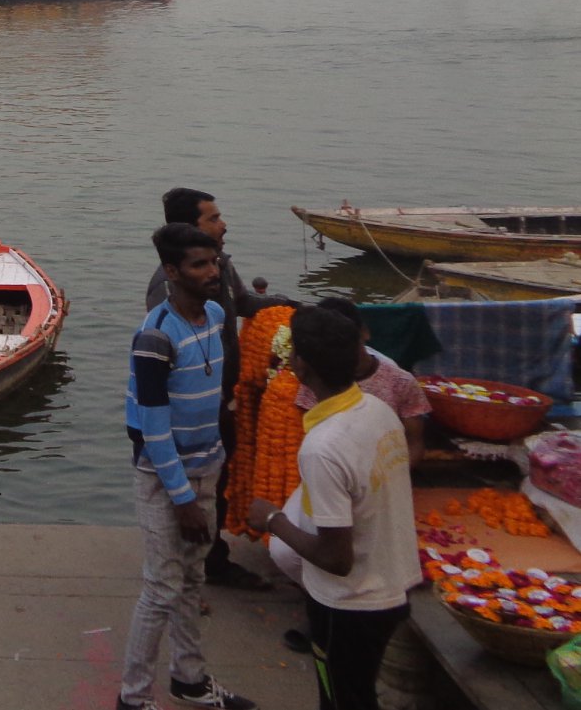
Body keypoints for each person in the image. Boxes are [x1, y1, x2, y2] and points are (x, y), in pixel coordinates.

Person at [250, 306, 420, 710]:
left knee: (341, 699)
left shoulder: (324, 446)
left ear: (301, 365)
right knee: (356, 695)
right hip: (390, 587)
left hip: (349, 604)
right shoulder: (378, 411)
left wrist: (273, 519)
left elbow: (336, 558)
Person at [120, 223, 255, 710]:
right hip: (164, 478)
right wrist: (182, 500)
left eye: (214, 262)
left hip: (207, 466)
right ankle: (133, 697)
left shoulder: (215, 315)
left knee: (193, 580)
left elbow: (212, 395)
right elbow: (154, 430)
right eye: (200, 265)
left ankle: (190, 679)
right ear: (172, 272)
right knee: (161, 587)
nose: (213, 272)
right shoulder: (155, 336)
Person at [146, 186, 295, 591]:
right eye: (213, 218)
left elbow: (243, 303)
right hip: (192, 409)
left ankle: (207, 557)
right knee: (193, 486)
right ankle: (201, 566)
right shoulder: (167, 292)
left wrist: (294, 308)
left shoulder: (220, 268)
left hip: (221, 398)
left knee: (220, 478)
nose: (223, 224)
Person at [293, 300, 428, 465]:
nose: (340, 350)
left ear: (364, 332)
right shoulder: (316, 382)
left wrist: (386, 474)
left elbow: (414, 444)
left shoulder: (400, 382)